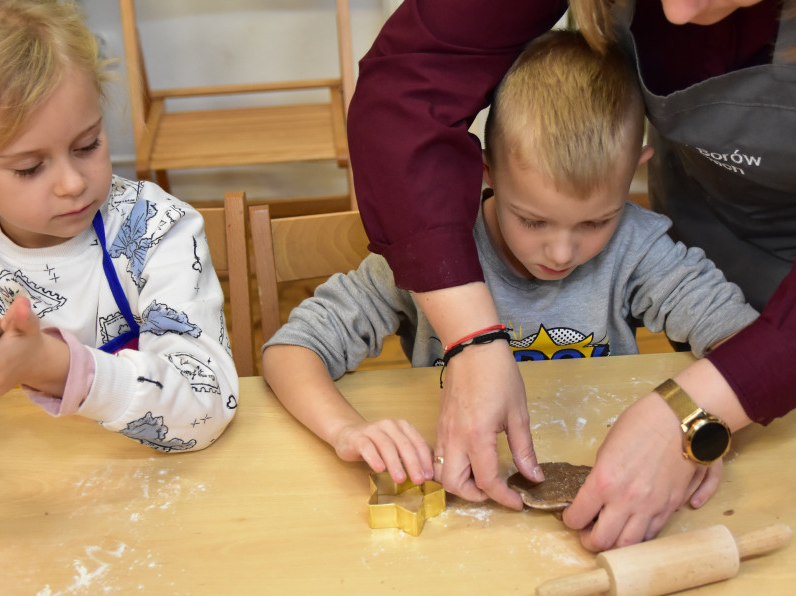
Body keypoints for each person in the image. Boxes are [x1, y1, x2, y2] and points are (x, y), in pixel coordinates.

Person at [346, 0, 796, 551]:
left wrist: (698, 408)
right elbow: (407, 90)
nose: (673, 12)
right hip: (715, 222)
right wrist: (472, 339)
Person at [263, 29, 757, 487]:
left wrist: (699, 427)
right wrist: (346, 430)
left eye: (595, 222)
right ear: (486, 171)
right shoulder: (430, 253)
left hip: (601, 471)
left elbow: (746, 343)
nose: (562, 252)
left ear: (635, 171)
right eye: (533, 221)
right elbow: (290, 353)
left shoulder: (638, 247)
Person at [0, 0, 239, 450]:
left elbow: (207, 407)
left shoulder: (156, 228)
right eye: (29, 168)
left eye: (87, 145)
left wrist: (57, 366)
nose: (72, 184)